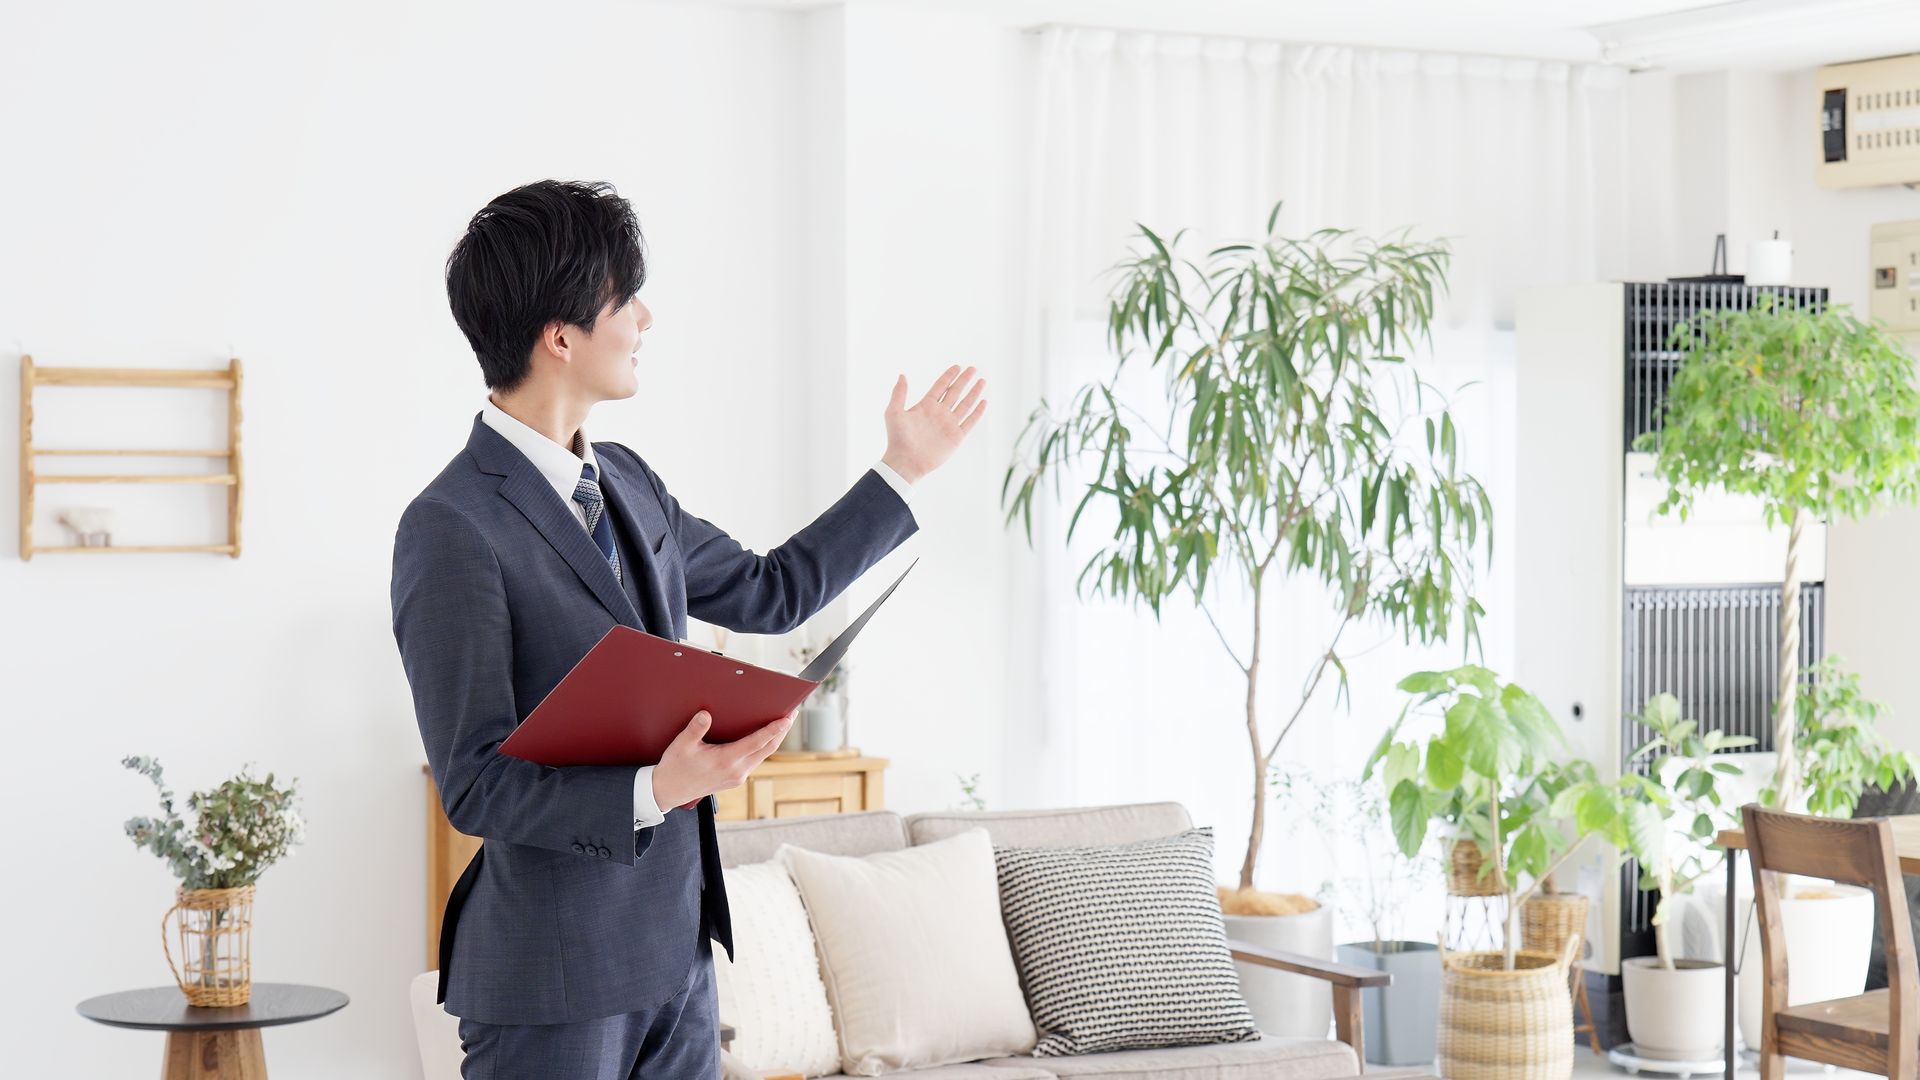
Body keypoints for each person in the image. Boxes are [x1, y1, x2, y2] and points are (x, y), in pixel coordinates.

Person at [390, 179, 985, 1078]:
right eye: (624, 301)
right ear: (560, 336)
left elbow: (770, 589)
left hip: (677, 955)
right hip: (553, 980)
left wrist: (902, 471)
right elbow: (474, 786)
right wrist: (653, 790)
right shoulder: (451, 527)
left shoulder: (626, 479)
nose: (645, 318)